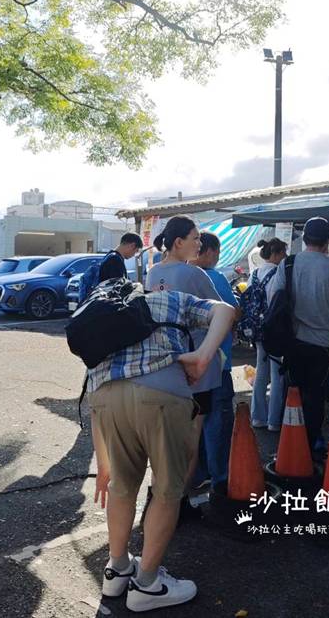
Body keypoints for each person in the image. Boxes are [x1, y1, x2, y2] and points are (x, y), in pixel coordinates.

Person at [88, 288, 235, 612]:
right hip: (160, 394)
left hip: (105, 400)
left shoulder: (105, 313)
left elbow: (95, 388)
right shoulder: (173, 299)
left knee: (122, 487)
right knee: (168, 490)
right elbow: (225, 311)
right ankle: (148, 585)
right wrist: (204, 355)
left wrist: (103, 461)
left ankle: (117, 569)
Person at [145, 217, 223, 509]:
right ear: (179, 242)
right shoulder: (195, 275)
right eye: (196, 238)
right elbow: (223, 313)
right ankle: (178, 503)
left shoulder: (153, 273)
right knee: (191, 439)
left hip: (165, 363)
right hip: (196, 364)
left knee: (165, 439)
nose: (200, 244)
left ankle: (158, 494)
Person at [266, 217, 329, 455]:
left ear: (304, 239)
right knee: (317, 397)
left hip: (294, 342)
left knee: (293, 393)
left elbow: (275, 300)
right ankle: (312, 445)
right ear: (328, 241)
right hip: (325, 345)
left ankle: (289, 446)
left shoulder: (288, 264)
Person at [190, 232, 239, 488]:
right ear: (206, 251)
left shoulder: (177, 274)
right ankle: (220, 480)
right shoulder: (215, 278)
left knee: (193, 422)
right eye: (217, 253)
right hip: (217, 363)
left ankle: (196, 477)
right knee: (217, 424)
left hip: (187, 366)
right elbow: (232, 313)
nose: (217, 258)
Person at [248, 238, 288, 431]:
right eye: (283, 253)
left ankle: (257, 417)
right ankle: (274, 421)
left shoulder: (254, 273)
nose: (285, 257)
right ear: (276, 253)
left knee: (261, 372)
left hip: (257, 329)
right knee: (277, 374)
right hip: (275, 329)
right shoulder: (278, 273)